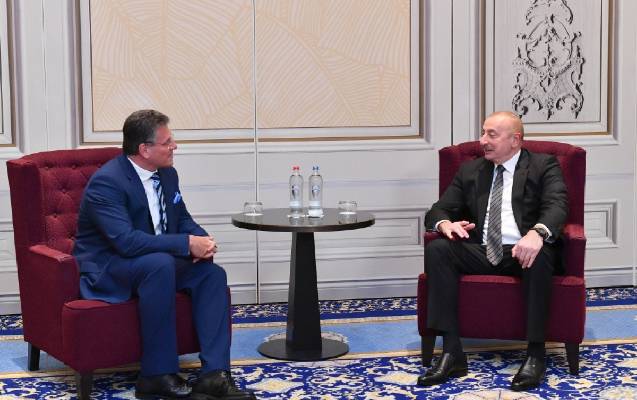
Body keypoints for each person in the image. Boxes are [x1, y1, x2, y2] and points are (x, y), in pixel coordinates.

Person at [73, 110, 255, 399]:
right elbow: (126, 243)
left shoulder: (167, 175)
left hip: (156, 262)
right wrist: (186, 244)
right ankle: (156, 375)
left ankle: (215, 375)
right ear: (144, 149)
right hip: (111, 266)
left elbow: (181, 219)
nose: (175, 146)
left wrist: (202, 240)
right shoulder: (107, 182)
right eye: (167, 142)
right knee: (159, 265)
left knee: (211, 274)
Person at [417, 111, 568, 391]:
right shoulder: (471, 170)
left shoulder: (542, 165)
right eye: (483, 133)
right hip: (482, 249)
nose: (482, 140)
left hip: (522, 251)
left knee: (539, 255)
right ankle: (452, 352)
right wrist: (446, 224)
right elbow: (438, 210)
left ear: (515, 140)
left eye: (491, 135)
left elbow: (557, 205)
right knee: (439, 249)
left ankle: (535, 354)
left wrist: (537, 233)